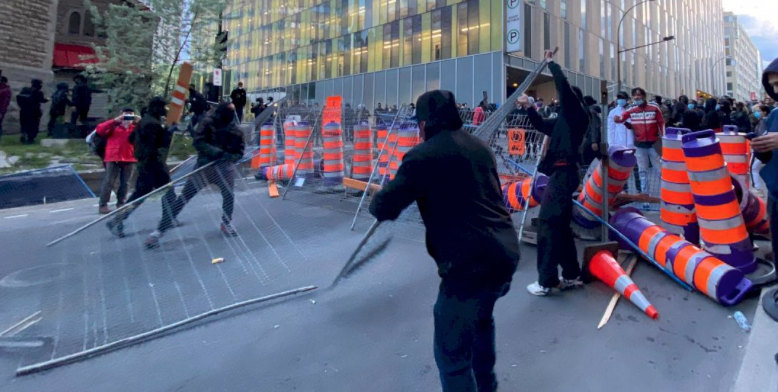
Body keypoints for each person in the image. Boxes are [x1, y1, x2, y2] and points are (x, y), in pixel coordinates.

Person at [369, 89, 519, 392]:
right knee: (479, 324)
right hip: (503, 254)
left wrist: (378, 197)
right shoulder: (480, 147)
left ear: (423, 124)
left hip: (468, 265)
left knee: (452, 355)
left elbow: (385, 206)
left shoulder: (423, 155)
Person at [520, 50, 589, 296]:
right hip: (560, 175)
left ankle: (546, 280)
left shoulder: (577, 115)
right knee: (559, 226)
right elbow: (540, 124)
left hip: (564, 175)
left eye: (563, 100)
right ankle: (571, 274)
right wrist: (529, 107)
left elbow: (564, 88)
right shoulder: (563, 120)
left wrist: (552, 64)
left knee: (548, 225)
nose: (559, 102)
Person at [145, 102, 245, 249]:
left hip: (224, 168)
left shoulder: (235, 130)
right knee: (183, 198)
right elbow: (199, 142)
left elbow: (239, 152)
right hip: (204, 168)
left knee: (229, 195)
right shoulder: (207, 123)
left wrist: (229, 157)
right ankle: (159, 231)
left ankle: (226, 222)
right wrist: (216, 152)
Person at [106, 97, 176, 238]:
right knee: (167, 192)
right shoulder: (152, 123)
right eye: (163, 107)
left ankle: (118, 220)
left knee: (140, 194)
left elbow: (131, 139)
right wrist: (168, 132)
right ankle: (167, 220)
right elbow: (158, 144)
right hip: (153, 164)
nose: (165, 110)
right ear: (157, 108)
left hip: (145, 163)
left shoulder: (144, 121)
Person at [614, 87, 665, 197]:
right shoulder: (631, 109)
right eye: (634, 95)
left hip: (654, 143)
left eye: (639, 95)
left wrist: (664, 138)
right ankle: (644, 194)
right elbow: (622, 118)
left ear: (644, 96)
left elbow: (661, 123)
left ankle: (666, 193)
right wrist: (618, 118)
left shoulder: (654, 107)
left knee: (660, 170)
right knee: (642, 170)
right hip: (639, 144)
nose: (637, 97)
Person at [752, 58, 778, 260]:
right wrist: (761, 147)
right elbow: (769, 156)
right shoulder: (775, 114)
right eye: (774, 86)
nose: (776, 91)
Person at [95, 108, 139, 214]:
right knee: (108, 181)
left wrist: (140, 121)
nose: (128, 119)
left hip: (129, 157)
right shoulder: (114, 126)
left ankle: (121, 203)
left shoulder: (135, 128)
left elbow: (146, 134)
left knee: (125, 182)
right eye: (126, 116)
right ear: (121, 116)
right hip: (113, 157)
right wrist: (115, 120)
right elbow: (99, 130)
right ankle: (103, 204)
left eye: (130, 116)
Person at [16, 79, 48, 144]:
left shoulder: (25, 90)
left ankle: (23, 133)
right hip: (34, 111)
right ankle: (30, 138)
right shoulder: (38, 92)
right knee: (34, 125)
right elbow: (42, 100)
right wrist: (47, 99)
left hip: (24, 110)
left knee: (24, 123)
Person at [581, 95, 602, 165]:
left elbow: (594, 127)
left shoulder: (591, 112)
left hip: (591, 140)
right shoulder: (593, 111)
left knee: (591, 159)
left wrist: (594, 141)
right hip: (591, 139)